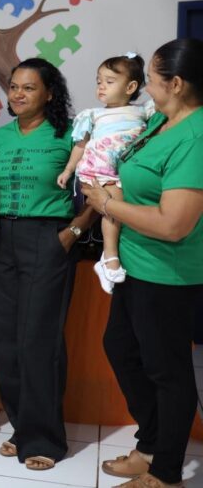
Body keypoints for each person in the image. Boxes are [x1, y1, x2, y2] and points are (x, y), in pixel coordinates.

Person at [82, 38, 203, 488]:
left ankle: (166, 471)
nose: (145, 87)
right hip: (134, 266)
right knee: (122, 349)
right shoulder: (159, 122)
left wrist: (107, 205)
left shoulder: (195, 137)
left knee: (167, 371)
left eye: (150, 79)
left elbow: (174, 224)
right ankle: (150, 444)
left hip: (167, 273)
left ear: (176, 83)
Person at [0, 58, 96, 471]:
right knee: (6, 343)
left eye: (28, 87)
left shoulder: (70, 136)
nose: (18, 94)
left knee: (39, 342)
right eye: (14, 86)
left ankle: (45, 439)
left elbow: (102, 188)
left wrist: (73, 232)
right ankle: (22, 426)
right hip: (2, 242)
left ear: (49, 93)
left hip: (48, 239)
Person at [56, 53, 152, 293]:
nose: (101, 86)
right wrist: (68, 170)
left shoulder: (144, 111)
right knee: (113, 204)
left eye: (109, 81)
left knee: (126, 208)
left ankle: (114, 256)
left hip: (127, 171)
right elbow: (80, 145)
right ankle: (109, 256)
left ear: (131, 87)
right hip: (100, 169)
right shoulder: (92, 115)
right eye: (99, 81)